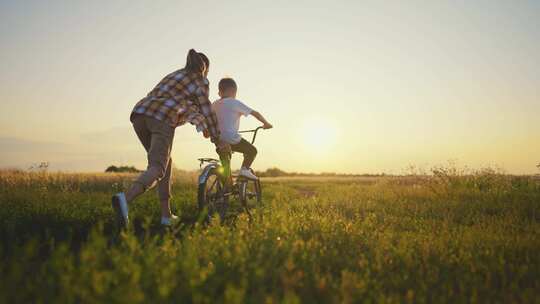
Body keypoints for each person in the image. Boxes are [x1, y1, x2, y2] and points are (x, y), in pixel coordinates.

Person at [111, 49, 229, 227]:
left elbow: (187, 107)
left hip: (140, 114)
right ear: (205, 69)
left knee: (165, 163)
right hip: (162, 118)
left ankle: (166, 216)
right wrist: (217, 139)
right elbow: (206, 110)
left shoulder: (175, 75)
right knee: (158, 168)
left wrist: (202, 126)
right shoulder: (200, 79)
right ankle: (125, 200)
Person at [212, 78, 273, 180]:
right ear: (233, 91)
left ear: (219, 92)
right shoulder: (234, 102)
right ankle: (244, 170)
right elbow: (255, 113)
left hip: (218, 140)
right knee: (252, 151)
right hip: (231, 139)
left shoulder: (214, 104)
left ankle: (224, 191)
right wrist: (266, 123)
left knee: (226, 169)